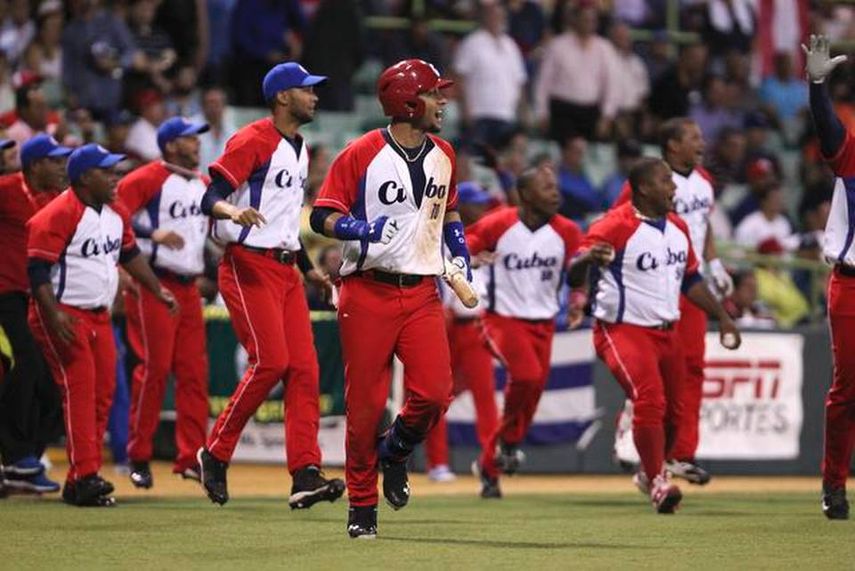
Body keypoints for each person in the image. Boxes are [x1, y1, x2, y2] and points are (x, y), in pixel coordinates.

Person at [310, 58, 465, 539]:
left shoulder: (445, 153)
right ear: (408, 101)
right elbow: (321, 216)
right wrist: (357, 226)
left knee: (435, 393)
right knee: (362, 411)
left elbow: (450, 212)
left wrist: (459, 253)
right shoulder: (361, 153)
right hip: (367, 291)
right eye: (435, 94)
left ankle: (395, 451)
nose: (442, 102)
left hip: (420, 290)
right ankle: (361, 505)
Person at [197, 62, 345, 510]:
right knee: (270, 362)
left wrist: (307, 269)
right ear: (283, 97)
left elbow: (283, 225)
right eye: (306, 90)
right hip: (247, 263)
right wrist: (230, 211)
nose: (315, 97)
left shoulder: (298, 147)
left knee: (305, 370)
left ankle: (305, 473)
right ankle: (216, 452)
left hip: (282, 267)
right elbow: (209, 196)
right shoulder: (252, 139)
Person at [569, 157, 741, 513]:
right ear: (644, 187)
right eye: (666, 181)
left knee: (676, 413)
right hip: (622, 329)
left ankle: (650, 472)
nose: (674, 187)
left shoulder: (677, 226)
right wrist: (588, 261)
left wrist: (722, 317)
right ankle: (659, 481)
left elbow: (692, 280)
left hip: (667, 331)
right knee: (649, 398)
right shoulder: (614, 226)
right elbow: (572, 273)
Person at [26, 144, 178, 507]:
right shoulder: (59, 211)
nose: (116, 178)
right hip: (63, 313)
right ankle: (86, 475)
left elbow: (129, 254)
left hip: (98, 315)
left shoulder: (115, 212)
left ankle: (79, 477)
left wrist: (157, 289)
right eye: (107, 171)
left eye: (115, 171)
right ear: (83, 178)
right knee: (80, 389)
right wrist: (52, 312)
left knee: (103, 391)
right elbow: (36, 269)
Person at [613, 118, 734, 486]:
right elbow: (620, 222)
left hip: (691, 280)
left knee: (692, 369)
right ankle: (632, 416)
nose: (702, 143)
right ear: (672, 146)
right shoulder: (649, 182)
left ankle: (681, 453)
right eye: (693, 138)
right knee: (658, 373)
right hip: (656, 282)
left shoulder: (704, 181)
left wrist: (713, 262)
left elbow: (703, 223)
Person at [465, 165, 583, 498]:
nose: (555, 193)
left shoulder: (568, 231)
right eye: (547, 188)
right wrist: (470, 257)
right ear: (527, 195)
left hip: (544, 322)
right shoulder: (499, 223)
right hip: (501, 318)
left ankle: (491, 464)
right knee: (527, 376)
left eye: (556, 187)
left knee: (534, 391)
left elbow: (577, 273)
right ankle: (509, 443)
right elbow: (465, 243)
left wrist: (577, 300)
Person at [115, 117, 212, 489]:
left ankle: (191, 456)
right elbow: (113, 208)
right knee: (154, 369)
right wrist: (149, 231)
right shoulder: (150, 176)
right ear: (171, 145)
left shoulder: (202, 183)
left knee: (193, 373)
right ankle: (138, 455)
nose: (197, 144)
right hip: (154, 282)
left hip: (188, 287)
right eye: (190, 138)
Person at [798, 34, 855, 519]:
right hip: (852, 284)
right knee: (849, 389)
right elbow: (827, 128)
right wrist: (817, 85)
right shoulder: (853, 154)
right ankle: (834, 484)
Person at [0, 135, 67, 495]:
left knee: (54, 388)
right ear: (35, 165)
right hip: (6, 295)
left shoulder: (54, 200)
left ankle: (25, 462)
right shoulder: (7, 188)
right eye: (55, 161)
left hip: (39, 299)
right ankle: (14, 454)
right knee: (26, 364)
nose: (61, 167)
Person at [423, 182, 499, 485]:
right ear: (461, 206)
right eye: (475, 203)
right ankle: (437, 462)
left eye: (483, 203)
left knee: (485, 398)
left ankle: (491, 463)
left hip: (478, 326)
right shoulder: (441, 237)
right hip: (448, 326)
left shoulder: (487, 238)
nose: (481, 208)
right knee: (436, 395)